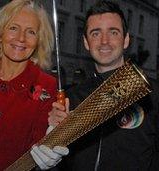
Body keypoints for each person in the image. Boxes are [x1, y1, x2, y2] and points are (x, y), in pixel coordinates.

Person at [0, 0, 68, 170]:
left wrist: (54, 134)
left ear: (38, 41)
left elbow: (37, 152)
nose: (21, 38)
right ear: (0, 33)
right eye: (13, 28)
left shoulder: (47, 86)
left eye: (31, 32)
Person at [49, 1, 159, 170]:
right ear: (86, 42)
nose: (104, 41)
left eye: (113, 32)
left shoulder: (151, 93)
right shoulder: (72, 98)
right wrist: (54, 139)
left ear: (126, 40)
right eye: (95, 33)